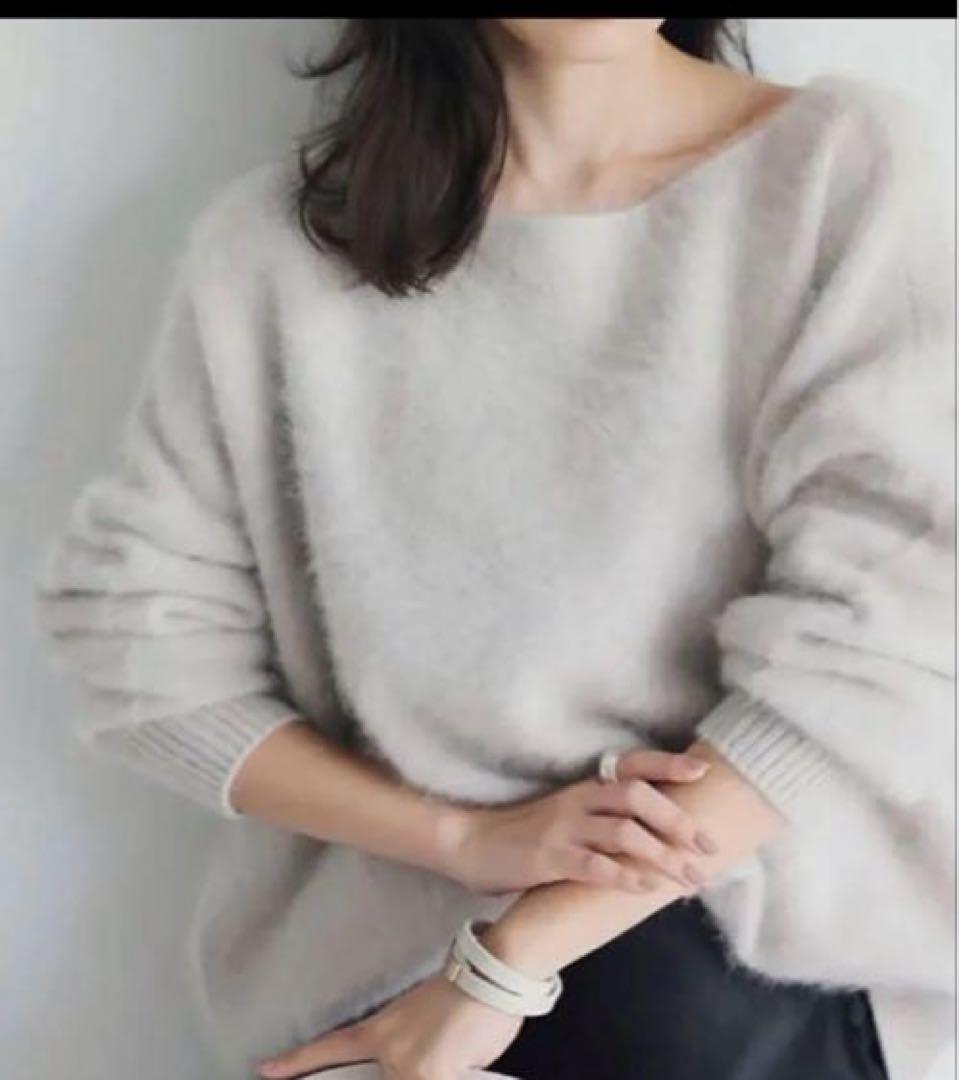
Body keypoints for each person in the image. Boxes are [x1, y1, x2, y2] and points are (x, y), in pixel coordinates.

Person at [32, 18, 954, 1080]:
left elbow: (893, 622)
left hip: (728, 957)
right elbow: (138, 643)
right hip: (379, 991)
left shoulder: (841, 171)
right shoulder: (273, 248)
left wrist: (509, 963)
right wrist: (462, 841)